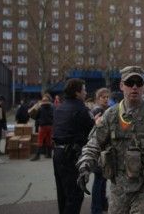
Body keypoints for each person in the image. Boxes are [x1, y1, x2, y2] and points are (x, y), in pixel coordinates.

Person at [76, 66, 144, 213]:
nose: (134, 87)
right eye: (130, 83)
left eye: (139, 83)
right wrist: (84, 165)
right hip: (118, 189)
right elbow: (94, 143)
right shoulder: (110, 115)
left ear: (143, 86)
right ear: (121, 85)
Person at [52, 78, 94, 214]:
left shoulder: (60, 108)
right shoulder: (81, 109)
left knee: (62, 193)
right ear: (77, 93)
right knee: (75, 195)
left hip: (58, 153)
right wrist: (96, 121)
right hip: (72, 156)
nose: (86, 93)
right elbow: (92, 131)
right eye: (84, 90)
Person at [90, 87, 110, 214]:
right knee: (99, 180)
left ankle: (102, 204)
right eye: (103, 97)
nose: (106, 99)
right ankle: (96, 208)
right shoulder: (98, 111)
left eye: (108, 97)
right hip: (99, 150)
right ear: (98, 99)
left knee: (102, 179)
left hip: (103, 149)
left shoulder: (104, 110)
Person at [30, 94, 54, 161]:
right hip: (50, 126)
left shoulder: (40, 108)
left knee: (40, 141)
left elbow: (36, 117)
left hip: (43, 126)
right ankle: (49, 154)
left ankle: (37, 156)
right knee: (49, 140)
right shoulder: (52, 107)